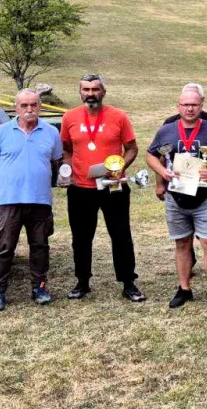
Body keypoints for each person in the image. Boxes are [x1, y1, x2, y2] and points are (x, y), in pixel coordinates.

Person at [146, 86, 207, 308]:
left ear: (201, 106)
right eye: (185, 105)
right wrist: (162, 172)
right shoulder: (166, 130)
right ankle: (184, 289)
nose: (190, 108)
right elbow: (150, 155)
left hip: (205, 197)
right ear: (178, 106)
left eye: (194, 104)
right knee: (182, 243)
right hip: (176, 197)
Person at [60, 73, 145, 303]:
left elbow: (132, 148)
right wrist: (66, 169)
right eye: (86, 90)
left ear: (103, 92)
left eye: (95, 89)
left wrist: (121, 167)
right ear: (80, 92)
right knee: (81, 237)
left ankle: (128, 282)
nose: (90, 94)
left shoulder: (119, 117)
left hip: (113, 186)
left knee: (120, 235)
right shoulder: (70, 117)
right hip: (80, 187)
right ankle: (82, 281)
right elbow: (67, 149)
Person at [0, 89, 63, 312]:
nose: (29, 109)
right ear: (16, 107)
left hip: (40, 201)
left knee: (40, 246)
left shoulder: (50, 132)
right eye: (24, 105)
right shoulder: (1, 132)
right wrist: (12, 180)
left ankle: (39, 287)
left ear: (40, 106)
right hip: (8, 201)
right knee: (4, 248)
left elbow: (56, 162)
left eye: (34, 105)